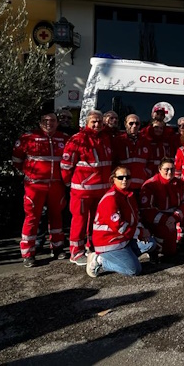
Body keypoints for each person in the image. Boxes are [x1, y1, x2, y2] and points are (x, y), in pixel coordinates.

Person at [13, 112, 69, 266]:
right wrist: (29, 174)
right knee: (32, 218)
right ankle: (28, 253)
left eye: (52, 120)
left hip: (57, 185)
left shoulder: (64, 138)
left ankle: (57, 248)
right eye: (45, 120)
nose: (49, 123)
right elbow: (17, 160)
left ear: (57, 123)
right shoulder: (28, 138)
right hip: (35, 185)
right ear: (40, 122)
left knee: (56, 216)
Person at [61, 110, 113, 266]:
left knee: (97, 220)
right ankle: (76, 252)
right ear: (87, 123)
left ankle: (93, 246)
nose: (97, 124)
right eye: (93, 122)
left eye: (99, 121)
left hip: (101, 190)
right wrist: (69, 183)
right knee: (79, 220)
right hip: (83, 190)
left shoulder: (105, 138)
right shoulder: (77, 139)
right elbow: (66, 165)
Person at [86, 166, 157, 277]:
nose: (124, 180)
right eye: (120, 177)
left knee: (150, 243)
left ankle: (126, 258)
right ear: (113, 179)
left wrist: (142, 232)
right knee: (134, 270)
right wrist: (141, 233)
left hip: (124, 240)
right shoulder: (111, 199)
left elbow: (134, 218)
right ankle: (99, 260)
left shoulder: (128, 195)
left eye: (127, 177)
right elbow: (120, 227)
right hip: (109, 243)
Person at [139, 158, 184, 256]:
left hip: (172, 218)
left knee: (170, 252)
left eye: (172, 169)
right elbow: (146, 210)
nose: (170, 172)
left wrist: (174, 217)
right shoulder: (150, 185)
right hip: (156, 220)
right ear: (159, 169)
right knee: (160, 246)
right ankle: (152, 248)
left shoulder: (179, 183)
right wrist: (165, 220)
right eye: (166, 169)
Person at [113, 114, 153, 194]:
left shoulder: (146, 141)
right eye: (131, 123)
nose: (134, 126)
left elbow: (151, 161)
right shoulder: (118, 141)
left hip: (141, 185)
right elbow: (114, 162)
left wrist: (146, 173)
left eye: (137, 123)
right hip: (123, 185)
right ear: (125, 124)